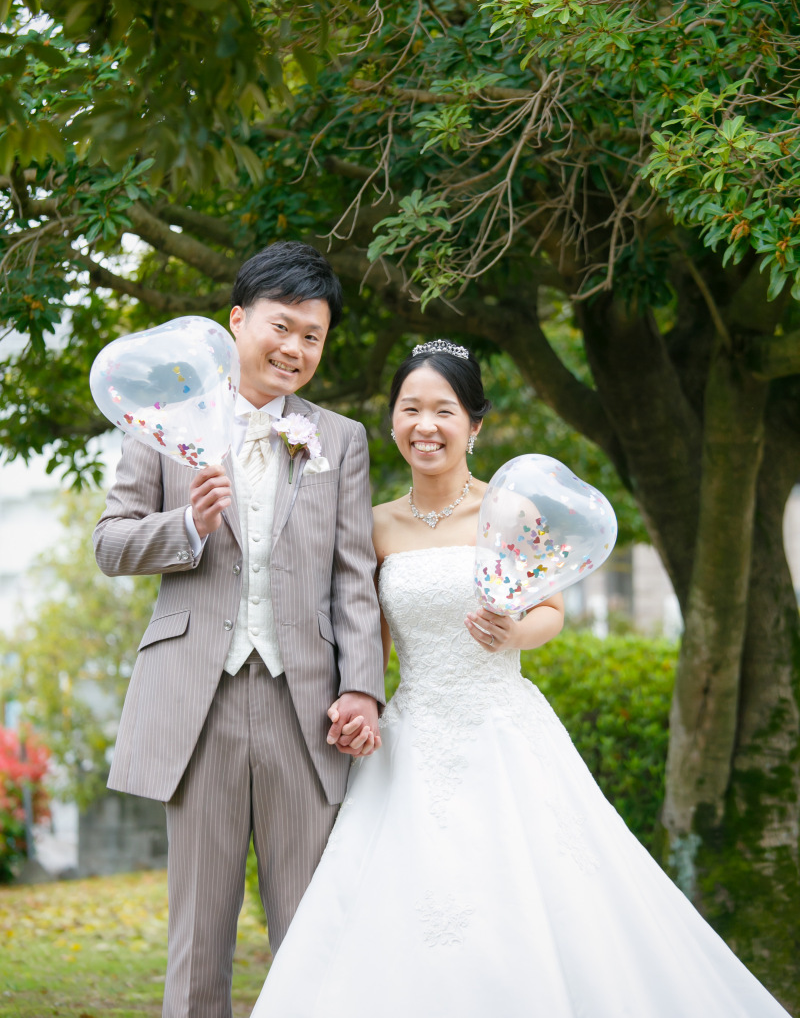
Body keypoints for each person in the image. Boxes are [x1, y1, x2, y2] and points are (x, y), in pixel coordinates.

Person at [251, 338, 791, 1018]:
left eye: (443, 410)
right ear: (392, 421)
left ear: (475, 425)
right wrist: (356, 706)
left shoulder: (508, 514)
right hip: (412, 740)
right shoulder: (372, 524)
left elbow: (552, 612)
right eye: (410, 409)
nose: (426, 425)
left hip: (502, 724)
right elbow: (371, 643)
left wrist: (514, 631)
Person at [93, 242, 385, 1018]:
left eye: (313, 336)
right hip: (199, 701)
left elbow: (355, 577)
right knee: (199, 940)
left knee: (314, 933)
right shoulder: (165, 421)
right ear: (236, 321)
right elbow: (110, 542)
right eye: (281, 327)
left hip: (307, 711)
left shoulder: (342, 439)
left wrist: (363, 689)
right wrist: (185, 525)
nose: (294, 348)